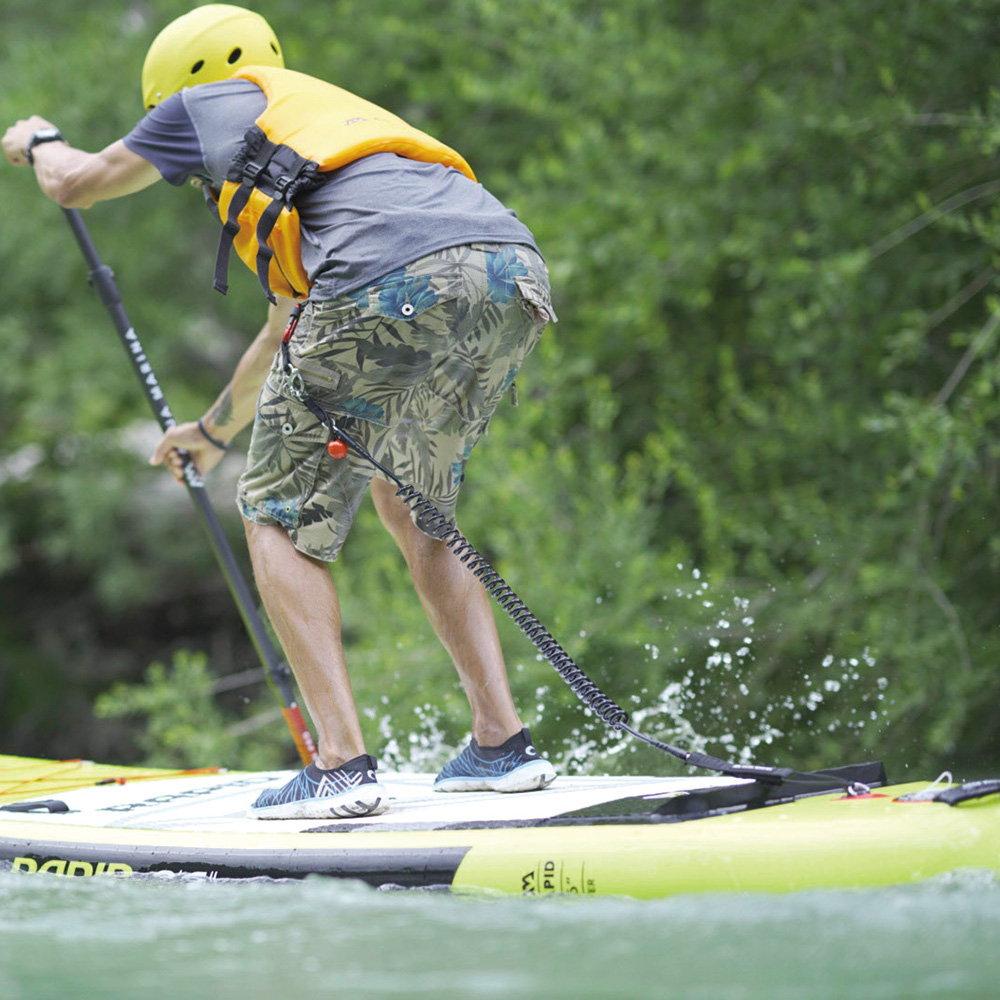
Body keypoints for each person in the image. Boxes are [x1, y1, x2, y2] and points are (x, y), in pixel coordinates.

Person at [2, 3, 557, 819]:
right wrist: (213, 433)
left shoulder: (202, 104)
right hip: (509, 273)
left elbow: (77, 185)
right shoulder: (321, 130)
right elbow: (286, 329)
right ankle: (501, 746)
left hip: (386, 279)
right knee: (414, 503)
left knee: (275, 515)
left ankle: (339, 763)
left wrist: (38, 142)